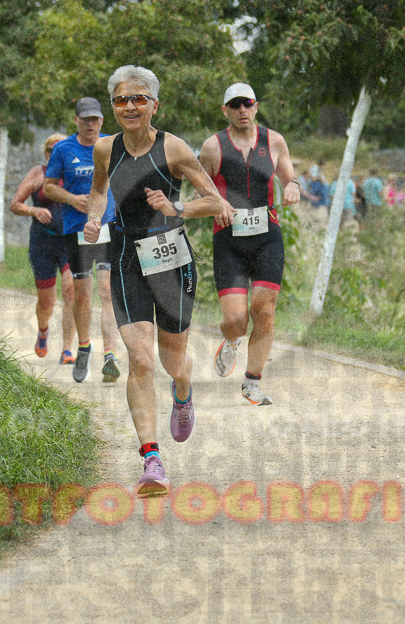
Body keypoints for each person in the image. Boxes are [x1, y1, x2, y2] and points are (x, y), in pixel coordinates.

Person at [84, 65, 223, 497]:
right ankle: (152, 460)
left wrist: (177, 208)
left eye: (138, 99)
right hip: (125, 256)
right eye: (121, 100)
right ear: (113, 107)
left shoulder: (173, 149)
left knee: (171, 362)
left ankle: (183, 387)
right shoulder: (105, 148)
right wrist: (93, 217)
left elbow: (215, 202)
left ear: (154, 105)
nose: (130, 106)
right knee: (141, 359)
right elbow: (98, 191)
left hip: (170, 259)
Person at [200, 82, 299, 407]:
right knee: (236, 321)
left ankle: (252, 382)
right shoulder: (212, 147)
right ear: (225, 110)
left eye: (248, 104)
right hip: (228, 239)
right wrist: (217, 203)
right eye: (235, 105)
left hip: (267, 236)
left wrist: (293, 187)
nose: (242, 110)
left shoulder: (274, 141)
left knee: (265, 311)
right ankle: (231, 341)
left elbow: (289, 176)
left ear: (255, 107)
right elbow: (202, 186)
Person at [44, 98, 121, 383]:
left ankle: (111, 355)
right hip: (76, 228)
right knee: (83, 294)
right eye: (86, 119)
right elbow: (48, 187)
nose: (91, 124)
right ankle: (85, 346)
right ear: (76, 121)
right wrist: (71, 199)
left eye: (95, 119)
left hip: (108, 225)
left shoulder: (112, 145)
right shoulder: (63, 149)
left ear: (102, 120)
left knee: (107, 290)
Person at [10, 133, 77, 364]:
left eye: (60, 150)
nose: (55, 154)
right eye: (51, 150)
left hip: (69, 242)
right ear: (46, 153)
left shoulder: (74, 174)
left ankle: (67, 350)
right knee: (47, 302)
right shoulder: (38, 174)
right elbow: (15, 204)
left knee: (71, 292)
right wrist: (33, 211)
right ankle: (43, 330)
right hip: (42, 243)